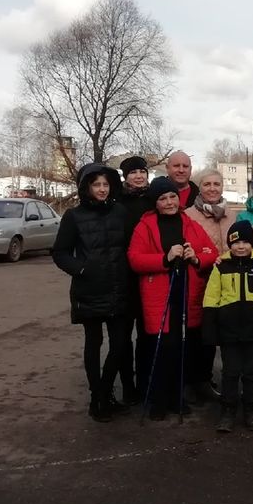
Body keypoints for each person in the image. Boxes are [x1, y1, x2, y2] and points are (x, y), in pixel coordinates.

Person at [128, 177, 218, 419]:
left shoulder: (190, 223)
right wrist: (164, 258)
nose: (169, 202)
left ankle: (177, 397)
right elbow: (135, 259)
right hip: (159, 294)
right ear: (155, 203)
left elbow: (211, 252)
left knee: (182, 348)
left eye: (172, 197)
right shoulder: (145, 226)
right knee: (162, 348)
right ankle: (159, 400)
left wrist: (196, 257)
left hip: (186, 292)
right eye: (162, 198)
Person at [52, 164, 133, 422]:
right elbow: (60, 252)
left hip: (119, 287)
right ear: (86, 187)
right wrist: (82, 269)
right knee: (94, 343)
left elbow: (131, 245)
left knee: (120, 345)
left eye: (105, 184)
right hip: (90, 289)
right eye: (96, 184)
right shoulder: (74, 216)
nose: (102, 189)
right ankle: (97, 398)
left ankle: (104, 392)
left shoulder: (120, 212)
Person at [202, 220, 253, 434]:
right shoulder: (221, 266)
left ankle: (251, 411)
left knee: (252, 372)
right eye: (236, 243)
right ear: (229, 245)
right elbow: (211, 297)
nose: (241, 246)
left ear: (252, 243)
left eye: (245, 242)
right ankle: (228, 411)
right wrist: (209, 329)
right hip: (229, 331)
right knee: (231, 372)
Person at [184, 170, 232, 404]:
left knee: (217, 333)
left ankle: (210, 379)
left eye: (216, 184)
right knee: (197, 335)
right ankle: (194, 381)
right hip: (199, 280)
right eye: (207, 184)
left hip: (227, 282)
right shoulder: (188, 215)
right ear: (199, 187)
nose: (212, 188)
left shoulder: (231, 215)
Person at [117, 154, 155, 403]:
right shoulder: (118, 201)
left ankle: (145, 382)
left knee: (147, 333)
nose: (139, 176)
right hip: (123, 276)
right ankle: (127, 386)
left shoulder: (153, 199)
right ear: (126, 177)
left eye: (142, 171)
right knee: (122, 336)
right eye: (133, 172)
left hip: (149, 274)